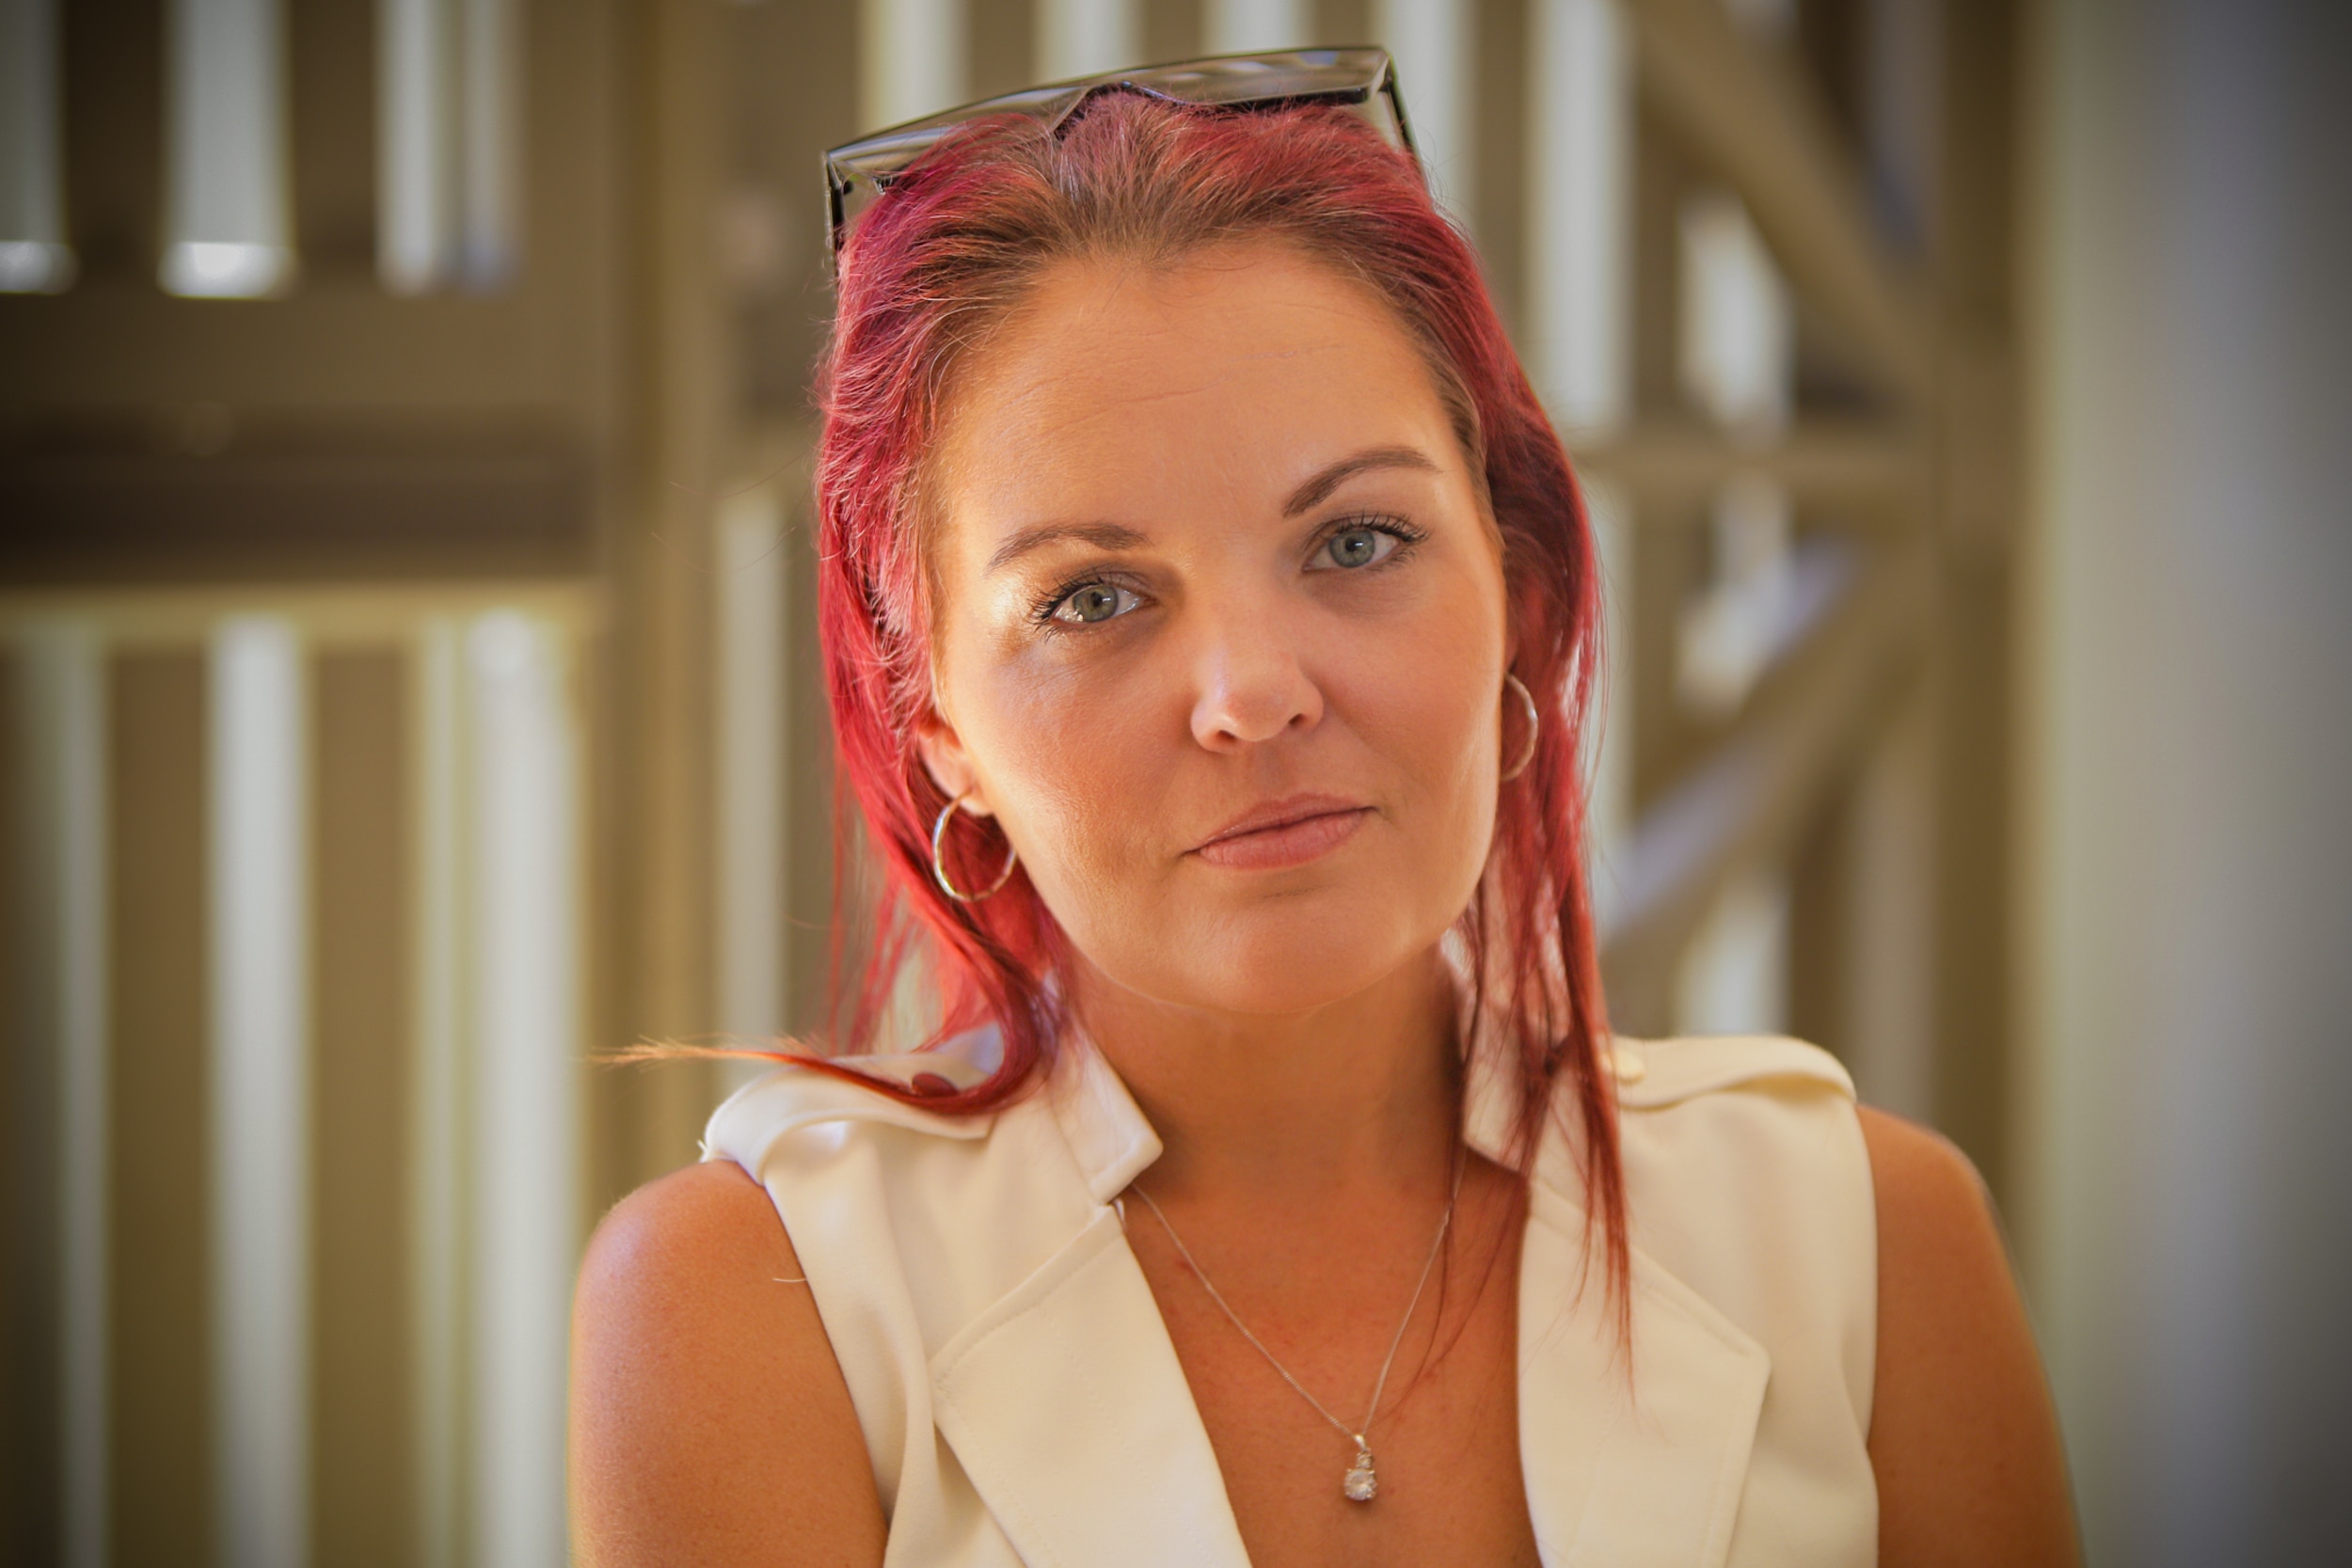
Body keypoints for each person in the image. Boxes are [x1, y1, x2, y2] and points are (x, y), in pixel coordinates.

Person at [570, 53, 2075, 1567]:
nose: (1254, 692)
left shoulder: (1864, 1243)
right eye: (1091, 597)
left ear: (1516, 585)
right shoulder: (758, 1307)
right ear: (941, 727)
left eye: (1357, 539)